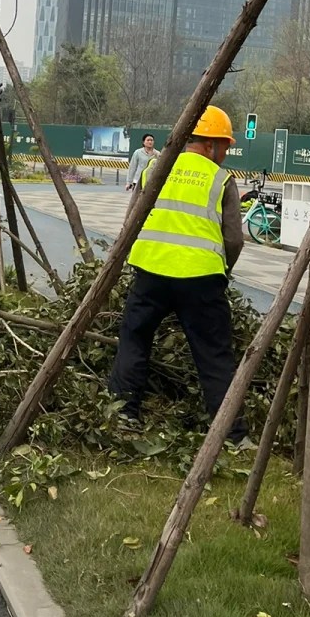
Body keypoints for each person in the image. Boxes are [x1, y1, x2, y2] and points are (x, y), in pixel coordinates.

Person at [108, 105, 249, 443]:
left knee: (134, 340)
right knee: (214, 356)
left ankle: (123, 415)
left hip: (150, 274)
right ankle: (232, 435)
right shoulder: (221, 180)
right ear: (210, 143)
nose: (225, 153)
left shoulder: (156, 168)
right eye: (225, 146)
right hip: (201, 281)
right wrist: (222, 271)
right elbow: (233, 238)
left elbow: (132, 221)